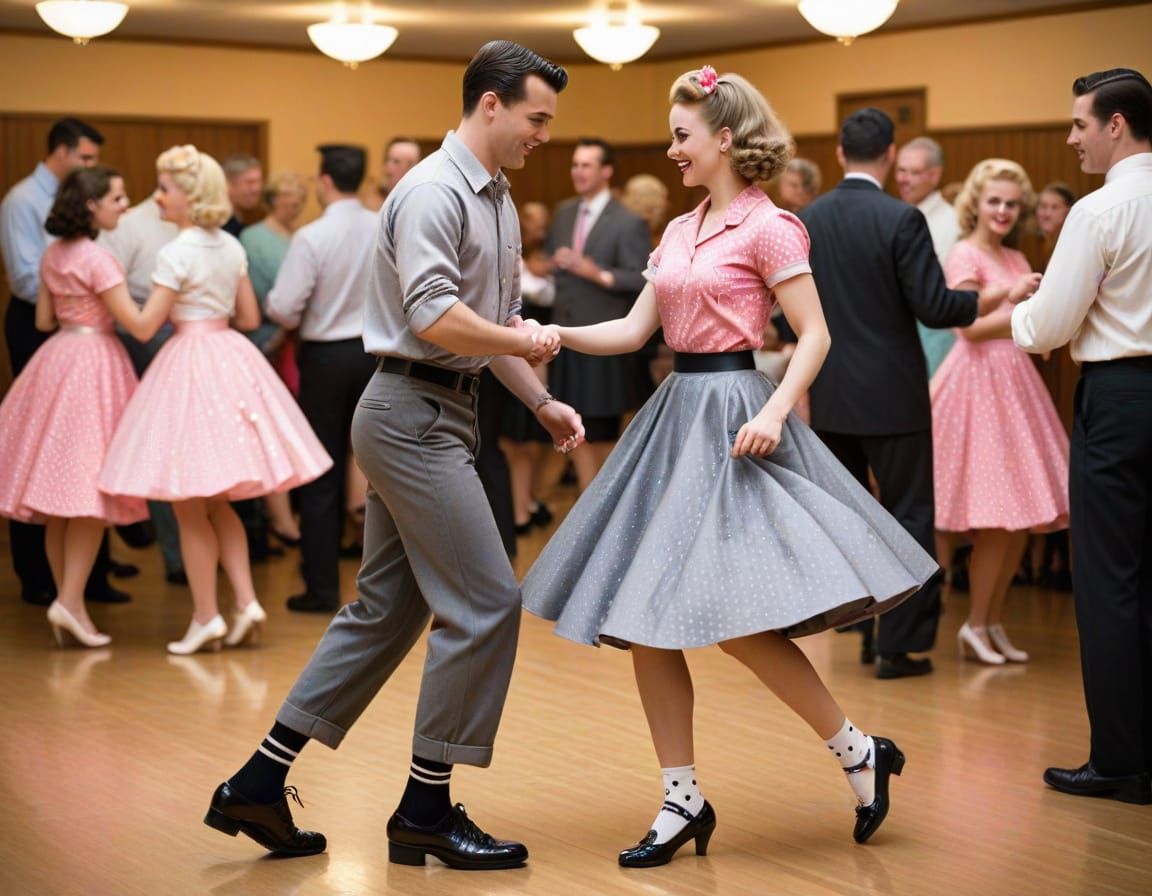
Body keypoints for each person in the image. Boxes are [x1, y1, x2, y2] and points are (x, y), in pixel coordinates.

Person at [525, 66, 937, 867]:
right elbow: (634, 330)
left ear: (724, 137)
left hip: (738, 419)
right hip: (676, 417)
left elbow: (815, 333)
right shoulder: (679, 230)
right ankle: (682, 797)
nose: (672, 149)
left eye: (682, 136)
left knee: (743, 625)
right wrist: (555, 334)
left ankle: (857, 750)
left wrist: (775, 411)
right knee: (644, 616)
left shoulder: (772, 227)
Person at [203, 41, 581, 869]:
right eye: (536, 117)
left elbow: (490, 326)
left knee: (385, 612)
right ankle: (424, 809)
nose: (544, 134)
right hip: (411, 414)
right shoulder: (433, 192)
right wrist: (521, 341)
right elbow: (437, 317)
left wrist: (540, 399)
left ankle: (257, 784)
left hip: (438, 410)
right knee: (487, 602)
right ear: (490, 104)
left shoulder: (497, 196)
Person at [98, 145, 331, 654]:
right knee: (220, 503)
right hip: (229, 358)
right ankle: (245, 602)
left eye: (165, 189)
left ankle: (206, 616)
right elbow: (248, 318)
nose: (157, 198)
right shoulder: (229, 246)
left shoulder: (175, 252)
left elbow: (143, 327)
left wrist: (110, 289)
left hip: (188, 363)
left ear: (190, 196)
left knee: (188, 507)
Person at [799, 108, 996, 679]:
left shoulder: (808, 219)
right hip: (894, 395)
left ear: (840, 153)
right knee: (908, 514)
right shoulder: (901, 218)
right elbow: (935, 307)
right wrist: (982, 298)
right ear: (890, 155)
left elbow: (792, 313)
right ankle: (898, 646)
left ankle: (859, 626)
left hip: (831, 389)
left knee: (849, 514)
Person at [1010, 68, 1152, 805]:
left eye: (1079, 124)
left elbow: (1048, 329)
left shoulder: (1099, 212)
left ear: (1116, 125)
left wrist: (1023, 308)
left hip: (1122, 400)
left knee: (1110, 582)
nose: (1071, 138)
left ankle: (1123, 761)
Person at [0, 166, 147, 646]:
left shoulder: (53, 254)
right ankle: (68, 602)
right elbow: (138, 324)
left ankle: (71, 605)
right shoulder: (99, 259)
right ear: (91, 205)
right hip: (94, 364)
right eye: (118, 198)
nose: (125, 205)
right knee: (86, 499)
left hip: (57, 359)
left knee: (60, 503)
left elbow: (44, 320)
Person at [932, 158, 1069, 664]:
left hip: (1013, 382)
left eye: (1012, 203)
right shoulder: (964, 254)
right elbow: (967, 328)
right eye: (994, 201)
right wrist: (1017, 309)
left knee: (1021, 519)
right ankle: (974, 624)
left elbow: (1023, 317)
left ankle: (989, 622)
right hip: (977, 386)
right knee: (1000, 519)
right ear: (977, 202)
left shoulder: (1014, 255)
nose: (1004, 211)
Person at [265, 145, 379, 614]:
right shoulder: (383, 225)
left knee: (322, 471)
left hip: (326, 360)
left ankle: (321, 587)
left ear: (325, 180)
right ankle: (387, 590)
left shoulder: (311, 236)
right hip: (375, 355)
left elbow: (283, 307)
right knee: (379, 469)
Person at [548, 138, 652, 490]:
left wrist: (597, 274)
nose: (578, 171)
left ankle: (604, 500)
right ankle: (585, 497)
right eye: (575, 164)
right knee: (571, 424)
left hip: (605, 336)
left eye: (586, 165)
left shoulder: (628, 221)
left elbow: (642, 278)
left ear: (606, 171)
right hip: (566, 334)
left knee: (603, 429)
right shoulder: (563, 212)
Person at [98, 193, 185, 582]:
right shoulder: (132, 227)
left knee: (179, 447)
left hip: (176, 341)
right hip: (146, 339)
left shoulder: (193, 240)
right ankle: (171, 549)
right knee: (155, 443)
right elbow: (136, 320)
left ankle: (186, 549)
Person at [239, 170, 309, 548]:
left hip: (296, 344)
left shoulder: (300, 236)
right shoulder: (254, 238)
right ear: (273, 199)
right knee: (268, 427)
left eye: (299, 196)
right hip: (265, 341)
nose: (295, 202)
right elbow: (264, 293)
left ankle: (289, 515)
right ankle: (276, 518)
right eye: (288, 194)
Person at [499, 200, 556, 534]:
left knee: (532, 439)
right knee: (516, 441)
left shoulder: (548, 262)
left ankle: (528, 500)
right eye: (531, 219)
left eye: (542, 219)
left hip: (537, 362)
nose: (537, 226)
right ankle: (519, 508)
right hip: (511, 358)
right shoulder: (512, 261)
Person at [896, 137, 962, 377]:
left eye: (914, 172)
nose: (904, 179)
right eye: (901, 170)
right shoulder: (896, 215)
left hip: (936, 336)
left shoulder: (951, 222)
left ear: (935, 175)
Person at [365, 136, 422, 211]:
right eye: (396, 162)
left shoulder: (423, 203)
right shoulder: (367, 203)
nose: (403, 169)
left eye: (410, 164)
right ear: (384, 165)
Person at [221, 154, 263, 237]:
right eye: (250, 182)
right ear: (229, 184)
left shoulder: (241, 221)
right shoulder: (221, 224)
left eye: (259, 181)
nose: (256, 188)